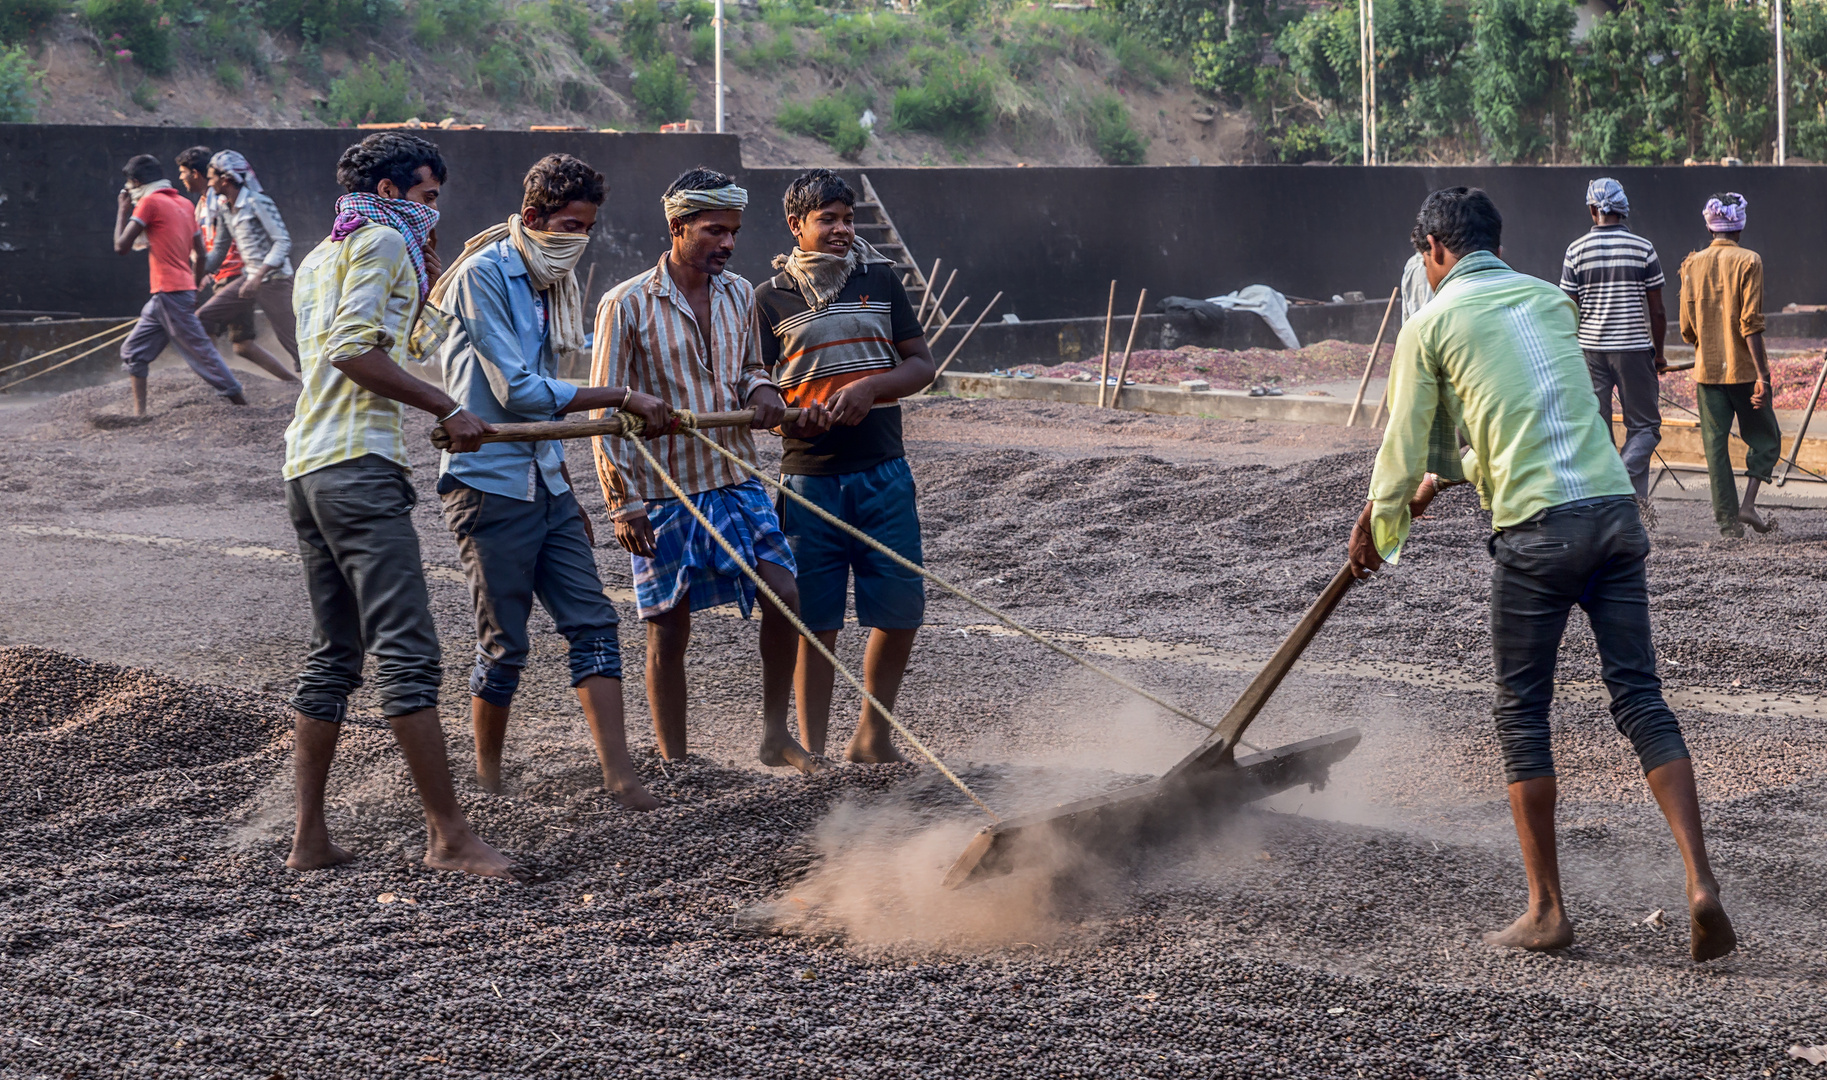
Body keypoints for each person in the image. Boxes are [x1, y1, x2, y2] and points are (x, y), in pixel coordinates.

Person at [1350, 187, 1735, 963]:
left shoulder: (1427, 324)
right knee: (1639, 696)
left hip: (1537, 531)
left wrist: (1377, 526)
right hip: (1612, 513)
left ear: (1433, 251)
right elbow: (1523, 420)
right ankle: (1700, 883)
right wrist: (1440, 482)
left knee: (1521, 712)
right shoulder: (1546, 303)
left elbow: (1400, 447)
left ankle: (1546, 911)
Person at [282, 131, 516, 879]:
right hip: (358, 468)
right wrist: (446, 407)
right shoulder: (382, 240)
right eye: (425, 197)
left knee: (332, 657)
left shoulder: (323, 255)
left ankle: (309, 840)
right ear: (388, 193)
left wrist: (428, 275)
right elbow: (353, 349)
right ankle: (449, 836)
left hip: (307, 467)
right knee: (407, 652)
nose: (430, 211)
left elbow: (388, 340)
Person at [428, 153, 673, 808]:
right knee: (505, 645)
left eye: (586, 228)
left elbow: (538, 409)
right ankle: (484, 779)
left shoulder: (543, 284)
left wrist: (564, 481)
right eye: (569, 226)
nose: (577, 241)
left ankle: (620, 777)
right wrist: (621, 395)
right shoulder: (482, 277)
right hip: (487, 485)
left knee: (593, 621)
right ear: (532, 218)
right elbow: (520, 392)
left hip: (543, 481)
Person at [590, 166, 829, 775]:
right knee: (668, 627)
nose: (726, 243)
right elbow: (605, 408)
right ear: (677, 228)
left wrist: (765, 392)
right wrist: (623, 501)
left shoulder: (738, 294)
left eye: (734, 232)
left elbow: (749, 369)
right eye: (713, 231)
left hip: (736, 476)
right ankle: (675, 758)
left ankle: (775, 735)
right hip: (665, 488)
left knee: (785, 594)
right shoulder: (626, 303)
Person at [754, 169, 935, 763]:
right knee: (816, 619)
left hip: (884, 469)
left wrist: (871, 390)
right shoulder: (767, 298)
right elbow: (756, 391)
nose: (840, 229)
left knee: (901, 607)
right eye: (826, 219)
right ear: (796, 225)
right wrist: (787, 418)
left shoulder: (879, 279)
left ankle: (872, 735)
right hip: (808, 478)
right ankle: (813, 749)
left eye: (847, 218)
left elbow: (921, 366)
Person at [1560, 178, 1667, 522]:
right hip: (1635, 350)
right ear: (1622, 210)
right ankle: (1627, 491)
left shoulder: (1575, 251)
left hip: (1590, 352)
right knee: (1646, 428)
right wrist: (1660, 354)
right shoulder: (1643, 248)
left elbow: (1568, 309)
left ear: (1593, 210)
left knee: (1598, 428)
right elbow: (1658, 311)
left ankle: (1620, 506)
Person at [112, 154, 246, 414]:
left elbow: (121, 247)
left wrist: (122, 210)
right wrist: (194, 287)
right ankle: (140, 414)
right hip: (172, 293)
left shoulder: (149, 203)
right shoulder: (184, 203)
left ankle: (238, 399)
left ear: (135, 182)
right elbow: (201, 255)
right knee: (133, 350)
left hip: (169, 292)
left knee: (201, 352)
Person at [1679, 193, 1780, 538]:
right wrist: (1764, 377)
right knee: (1766, 439)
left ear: (1709, 226)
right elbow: (1750, 324)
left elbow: (1686, 330)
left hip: (1707, 374)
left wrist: (1708, 345)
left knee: (1715, 447)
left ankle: (1727, 526)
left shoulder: (1691, 264)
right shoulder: (1750, 261)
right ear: (1740, 226)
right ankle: (1748, 505)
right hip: (1745, 374)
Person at [196, 150, 302, 383]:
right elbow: (219, 253)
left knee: (295, 343)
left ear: (226, 179)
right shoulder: (225, 208)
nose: (209, 182)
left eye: (212, 177)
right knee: (203, 317)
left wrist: (258, 276)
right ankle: (216, 382)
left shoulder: (257, 202)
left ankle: (326, 387)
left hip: (274, 281)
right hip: (249, 278)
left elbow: (283, 241)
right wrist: (194, 274)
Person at [174, 145, 256, 353]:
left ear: (195, 174)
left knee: (204, 321)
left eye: (183, 173)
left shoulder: (221, 201)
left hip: (235, 274)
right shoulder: (203, 205)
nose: (181, 178)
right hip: (222, 275)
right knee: (242, 346)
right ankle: (290, 381)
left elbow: (223, 245)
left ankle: (215, 379)